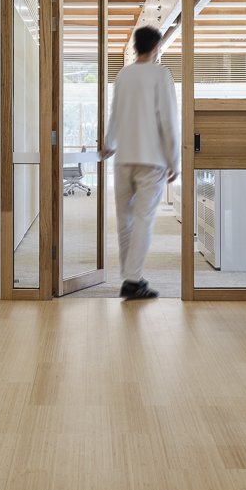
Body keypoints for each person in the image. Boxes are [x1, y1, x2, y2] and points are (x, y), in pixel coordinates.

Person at [102, 24, 179, 300]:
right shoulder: (161, 74)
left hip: (123, 158)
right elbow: (169, 120)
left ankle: (129, 277)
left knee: (125, 220)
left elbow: (115, 112)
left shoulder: (123, 74)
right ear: (156, 48)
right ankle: (133, 280)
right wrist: (174, 160)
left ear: (135, 46)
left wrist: (109, 142)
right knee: (143, 220)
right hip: (152, 160)